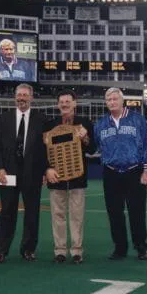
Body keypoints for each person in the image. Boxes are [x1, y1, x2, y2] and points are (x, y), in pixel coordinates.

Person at [94, 87, 147, 260]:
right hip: (111, 172)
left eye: (115, 99)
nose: (112, 102)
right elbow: (97, 145)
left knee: (137, 211)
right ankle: (120, 247)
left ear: (122, 100)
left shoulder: (137, 120)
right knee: (114, 212)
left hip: (134, 170)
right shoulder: (101, 124)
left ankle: (141, 246)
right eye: (109, 100)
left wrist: (146, 170)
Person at [0, 83, 49, 263]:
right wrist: (0, 168)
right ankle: (1, 250)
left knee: (32, 212)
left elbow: (45, 149)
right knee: (7, 211)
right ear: (14, 97)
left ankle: (28, 249)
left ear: (31, 98)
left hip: (32, 173)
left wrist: (43, 171)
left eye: (25, 95)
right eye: (19, 95)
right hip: (7, 173)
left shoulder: (41, 119)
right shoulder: (4, 118)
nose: (22, 98)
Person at [44, 90, 96, 264]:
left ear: (75, 103)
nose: (64, 104)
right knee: (57, 215)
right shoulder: (50, 125)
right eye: (61, 102)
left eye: (67, 101)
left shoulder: (85, 123)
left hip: (77, 177)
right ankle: (59, 250)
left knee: (77, 215)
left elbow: (92, 149)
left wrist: (85, 137)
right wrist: (47, 169)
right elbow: (43, 152)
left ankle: (76, 251)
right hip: (56, 177)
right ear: (58, 105)